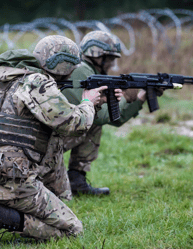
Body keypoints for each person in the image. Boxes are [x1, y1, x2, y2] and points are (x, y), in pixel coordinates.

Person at [0, 35, 122, 242]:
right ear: (63, 65)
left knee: (58, 208)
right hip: (13, 180)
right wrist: (88, 101)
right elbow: (74, 124)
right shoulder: (38, 83)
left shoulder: (5, 82)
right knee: (73, 231)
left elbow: (54, 129)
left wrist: (94, 105)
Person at [62, 31, 157, 196]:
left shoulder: (88, 70)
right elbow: (104, 116)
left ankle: (76, 180)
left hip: (61, 128)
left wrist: (139, 99)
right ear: (97, 55)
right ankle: (65, 179)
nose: (112, 64)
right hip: (51, 135)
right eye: (110, 58)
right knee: (92, 122)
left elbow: (114, 120)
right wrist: (125, 97)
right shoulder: (83, 71)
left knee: (93, 123)